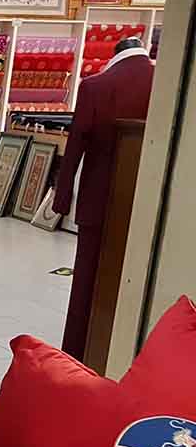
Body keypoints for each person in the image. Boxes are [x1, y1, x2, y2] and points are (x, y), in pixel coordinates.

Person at [52, 36, 154, 362]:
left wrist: (61, 198)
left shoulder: (96, 86)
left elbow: (75, 146)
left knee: (87, 283)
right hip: (149, 203)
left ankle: (77, 355)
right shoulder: (164, 84)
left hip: (99, 200)